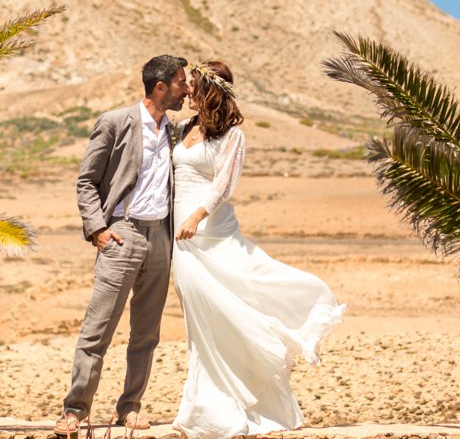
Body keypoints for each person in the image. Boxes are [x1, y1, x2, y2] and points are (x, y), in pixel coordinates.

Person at [172, 61, 345, 439]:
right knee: (200, 317)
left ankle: (244, 398)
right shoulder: (184, 128)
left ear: (208, 90)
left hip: (209, 231)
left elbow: (223, 185)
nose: (186, 90)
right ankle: (201, 406)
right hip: (179, 238)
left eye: (192, 85)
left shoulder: (233, 136)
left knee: (230, 304)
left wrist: (196, 217)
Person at [56, 54, 189, 436]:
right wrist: (98, 229)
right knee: (97, 330)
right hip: (122, 234)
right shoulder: (116, 122)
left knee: (147, 333)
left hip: (160, 238)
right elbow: (86, 181)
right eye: (181, 83)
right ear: (160, 87)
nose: (186, 89)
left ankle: (129, 408)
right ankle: (75, 410)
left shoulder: (175, 131)